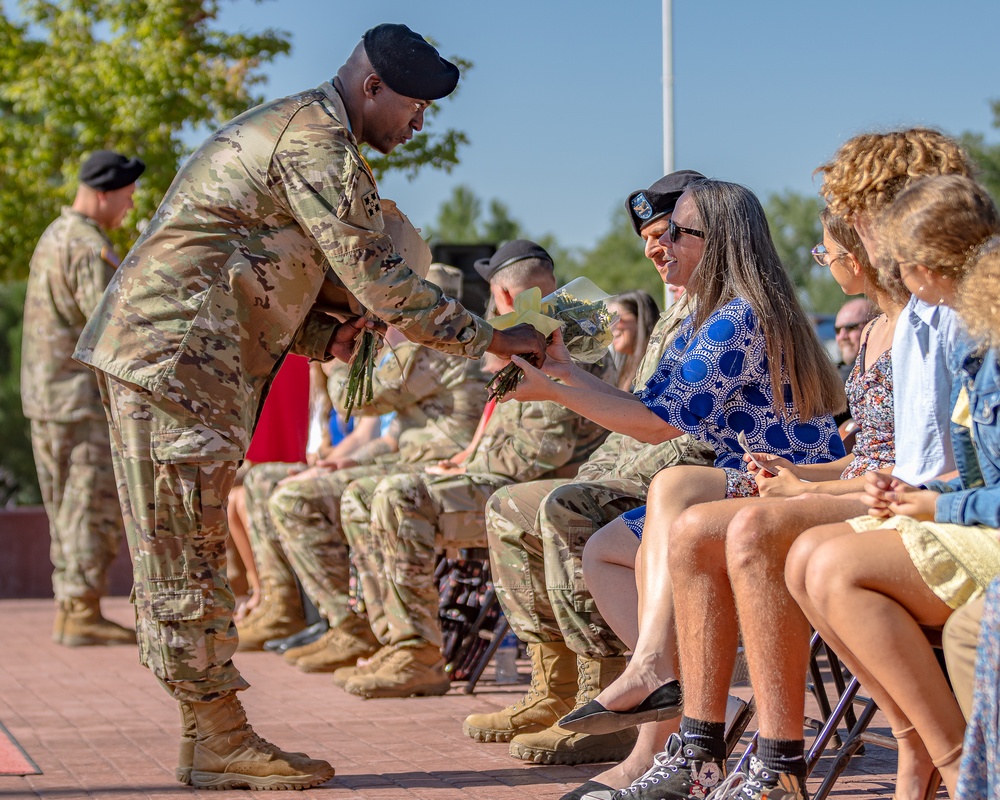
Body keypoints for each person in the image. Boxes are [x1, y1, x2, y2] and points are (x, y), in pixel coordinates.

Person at [73, 24, 545, 791]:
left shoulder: (309, 135)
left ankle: (209, 735)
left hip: (189, 363)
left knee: (186, 550)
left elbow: (258, 267)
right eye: (415, 107)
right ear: (371, 87)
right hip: (175, 365)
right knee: (184, 556)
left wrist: (326, 336)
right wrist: (496, 338)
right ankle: (217, 735)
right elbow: (381, 279)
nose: (419, 123)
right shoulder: (312, 142)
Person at [588, 207, 905, 800]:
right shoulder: (874, 333)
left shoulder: (749, 316)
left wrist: (808, 485)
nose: (823, 258)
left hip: (862, 500)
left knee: (720, 516)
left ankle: (770, 759)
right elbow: (861, 454)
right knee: (677, 515)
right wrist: (805, 474)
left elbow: (654, 422)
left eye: (676, 234)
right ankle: (699, 744)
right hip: (819, 482)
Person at [464, 172, 716, 782]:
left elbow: (665, 427)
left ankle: (605, 692)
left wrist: (554, 383)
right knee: (508, 506)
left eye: (669, 235)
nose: (655, 249)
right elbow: (636, 407)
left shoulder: (723, 312)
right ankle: (555, 684)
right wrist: (562, 376)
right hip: (636, 467)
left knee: (566, 506)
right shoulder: (680, 308)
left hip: (687, 479)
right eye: (649, 238)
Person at [788, 175, 1000, 800]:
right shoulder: (971, 332)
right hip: (972, 517)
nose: (897, 275)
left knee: (834, 567)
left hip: (981, 526)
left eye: (902, 262)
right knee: (806, 560)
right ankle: (927, 747)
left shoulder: (982, 336)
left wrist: (939, 503)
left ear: (929, 265)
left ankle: (956, 765)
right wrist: (911, 488)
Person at [333, 240, 615, 700]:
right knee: (363, 493)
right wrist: (463, 464)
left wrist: (460, 471)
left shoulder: (566, 341)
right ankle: (397, 640)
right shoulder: (535, 333)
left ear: (501, 295)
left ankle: (419, 653)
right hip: (502, 478)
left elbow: (539, 452)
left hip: (534, 490)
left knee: (398, 494)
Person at [21, 149, 144, 647]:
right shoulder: (88, 246)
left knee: (64, 503)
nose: (129, 209)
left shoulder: (55, 234)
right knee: (89, 504)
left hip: (46, 397)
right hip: (78, 400)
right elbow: (112, 330)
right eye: (127, 199)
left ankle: (73, 604)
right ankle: (81, 610)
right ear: (102, 194)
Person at [609, 290, 660, 391]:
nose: (609, 327)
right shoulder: (621, 370)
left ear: (641, 318)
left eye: (614, 318)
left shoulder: (658, 367)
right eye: (605, 321)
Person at [833, 296, 878, 380]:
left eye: (851, 327)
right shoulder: (828, 378)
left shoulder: (883, 373)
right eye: (837, 330)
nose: (842, 336)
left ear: (874, 326)